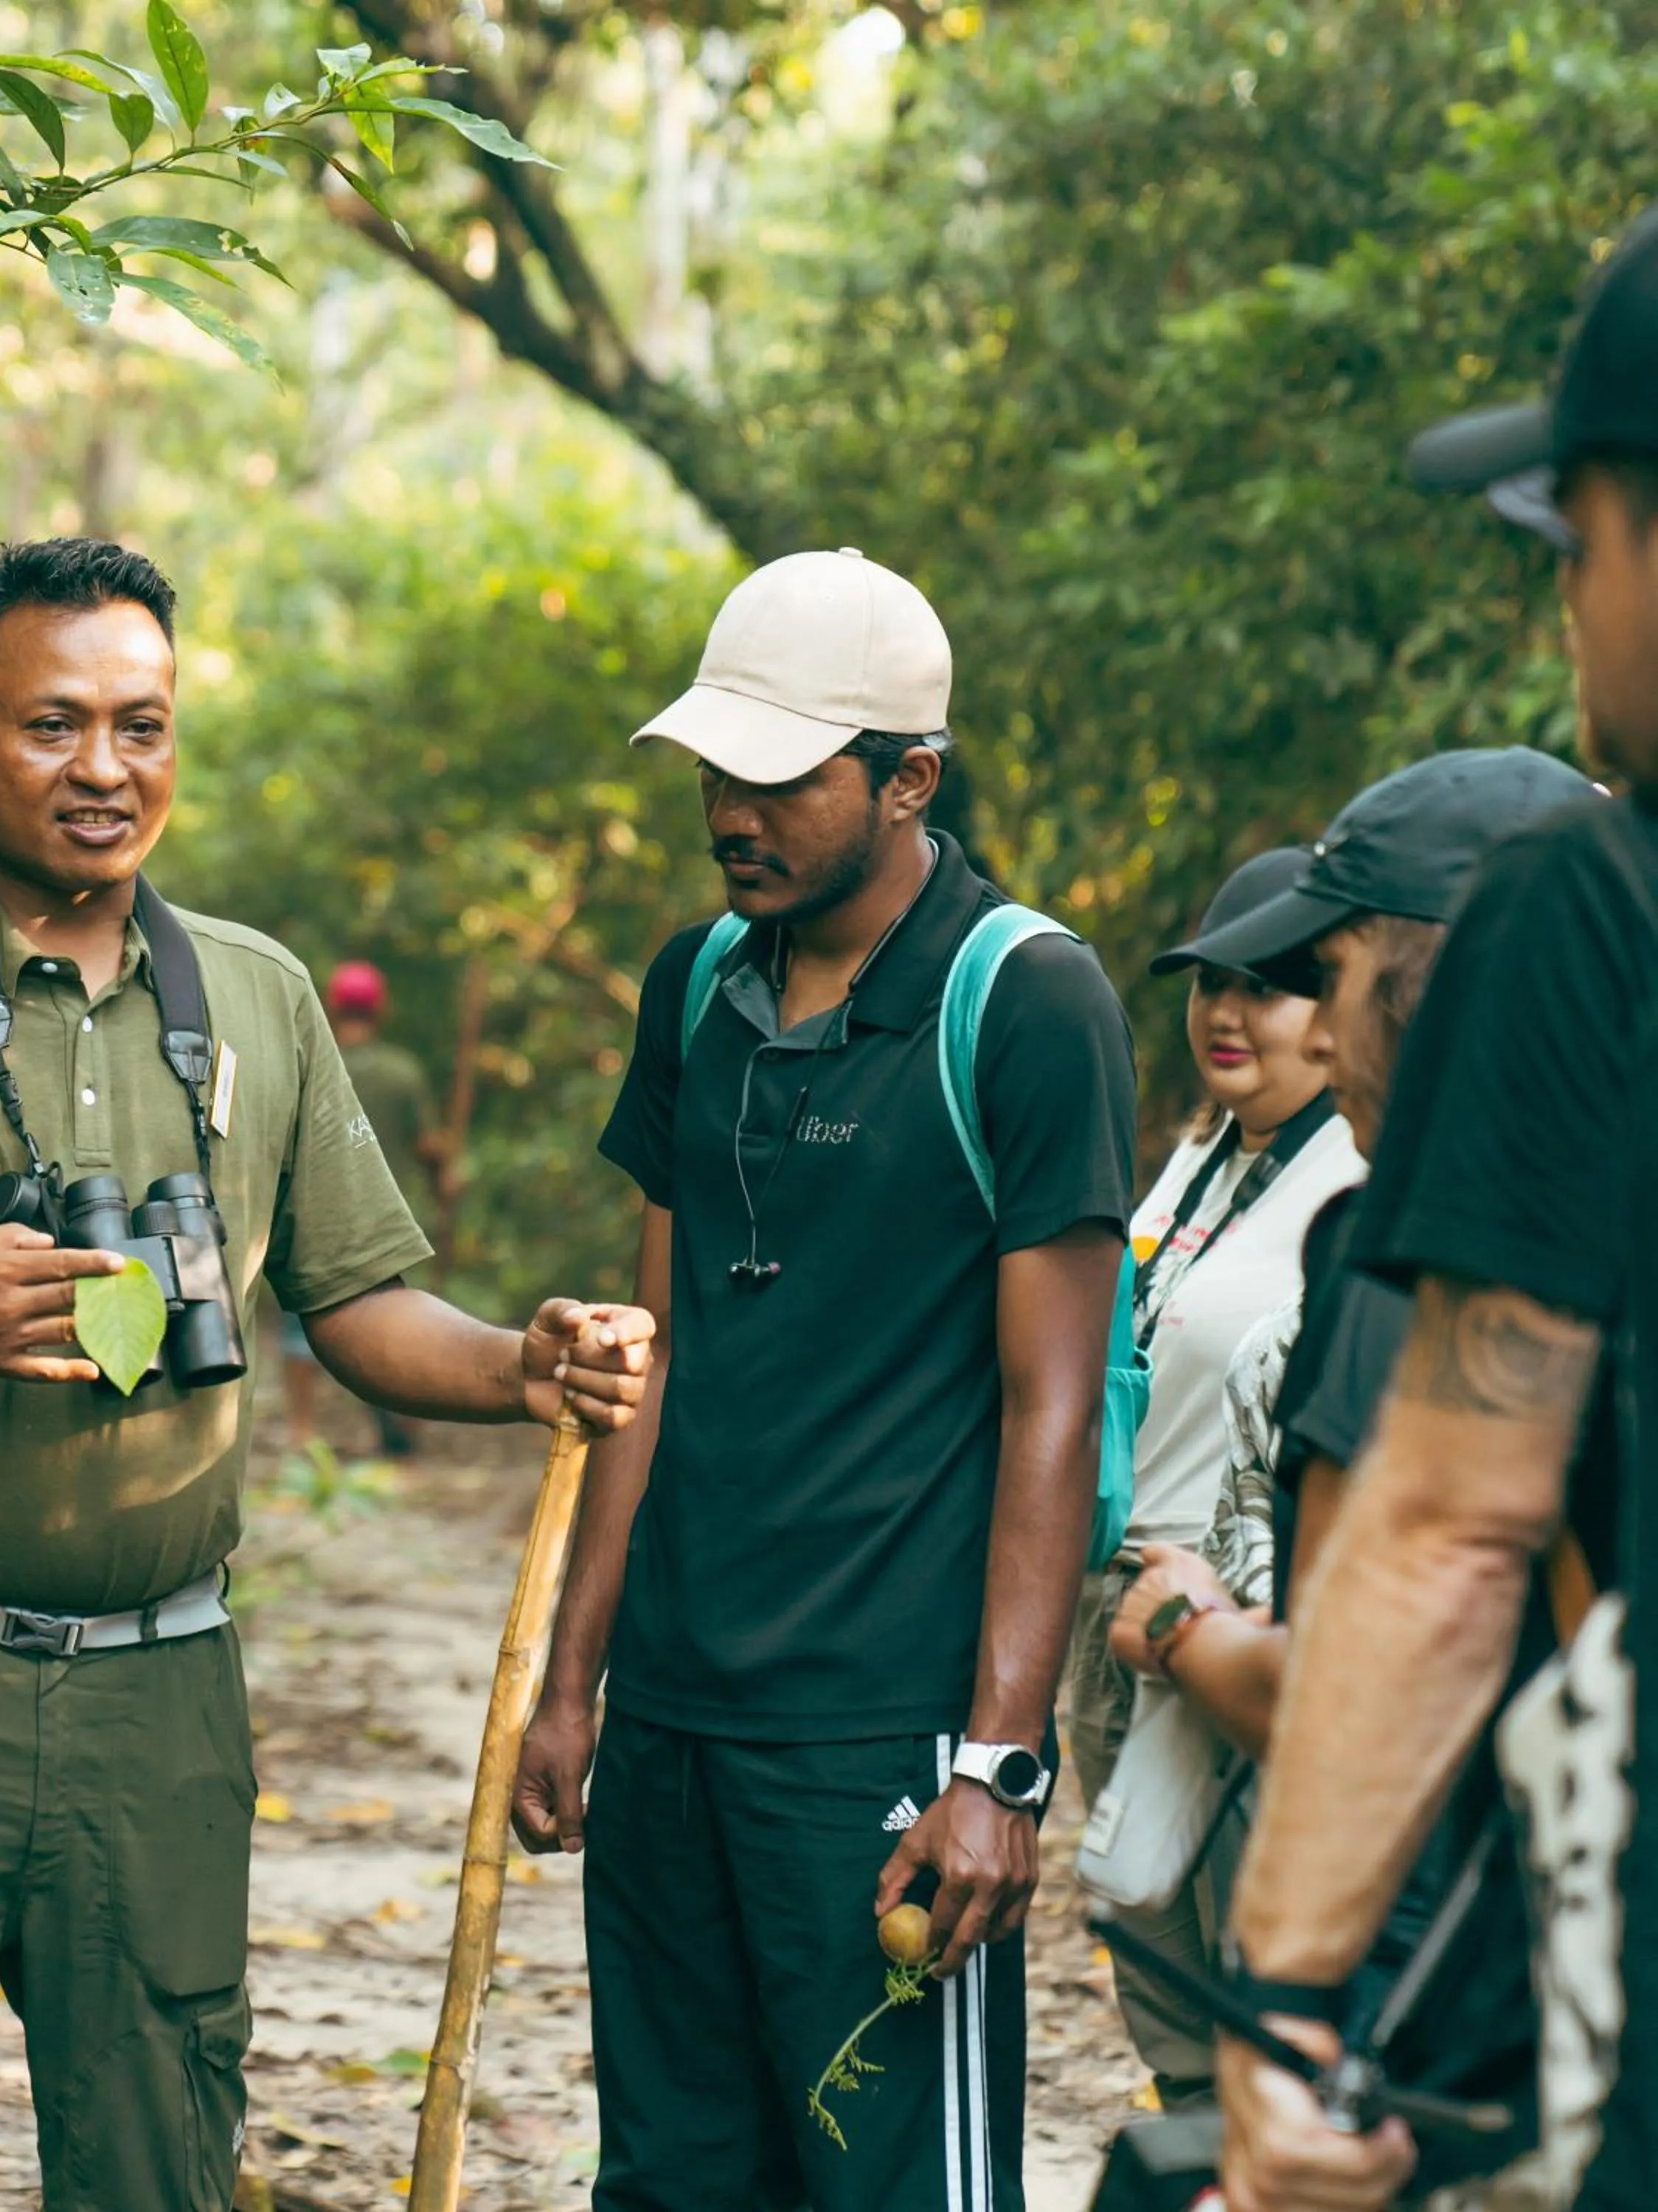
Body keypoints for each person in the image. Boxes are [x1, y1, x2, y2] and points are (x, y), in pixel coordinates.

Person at [0, 538, 657, 2212]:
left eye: (143, 723)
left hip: (163, 1699)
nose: (104, 769)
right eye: (53, 723)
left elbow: (358, 1305)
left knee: (160, 2165)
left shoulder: (259, 1001)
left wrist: (522, 1363)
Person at [510, 547, 1138, 2210]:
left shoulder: (1027, 1000)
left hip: (880, 1740)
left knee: (888, 2187)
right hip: (676, 1721)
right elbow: (652, 1365)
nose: (734, 809)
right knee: (672, 2178)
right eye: (720, 767)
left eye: (781, 777)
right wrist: (579, 1681)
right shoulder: (694, 984)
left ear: (908, 776)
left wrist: (1001, 1766)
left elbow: (1052, 1412)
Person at [1215, 204, 1658, 2212]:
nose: (1573, 615)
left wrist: (1286, 2013)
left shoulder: (1594, 915)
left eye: (1575, 546)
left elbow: (1455, 1516)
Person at [1102, 750, 1592, 2199]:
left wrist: (1290, 2016)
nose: (1309, 1015)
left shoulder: (1397, 1270)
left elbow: (1354, 1680)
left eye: (1331, 968)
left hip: (1432, 1995)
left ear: (1418, 981)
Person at [1067, 847, 1361, 2105]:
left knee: (1256, 1983)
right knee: (1147, 1947)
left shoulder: (1360, 1174)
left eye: (1274, 986)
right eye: (1210, 985)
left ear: (1347, 1006)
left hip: (1229, 1619)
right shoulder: (1201, 1157)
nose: (1229, 1015)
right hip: (1114, 1602)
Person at [282, 960, 448, 1458]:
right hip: (389, 1218)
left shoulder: (311, 1061)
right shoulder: (403, 1073)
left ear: (332, 1006)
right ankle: (398, 1426)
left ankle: (302, 1432)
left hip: (315, 1214)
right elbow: (427, 1147)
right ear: (381, 1009)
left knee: (302, 1322)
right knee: (395, 1319)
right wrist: (444, 1178)